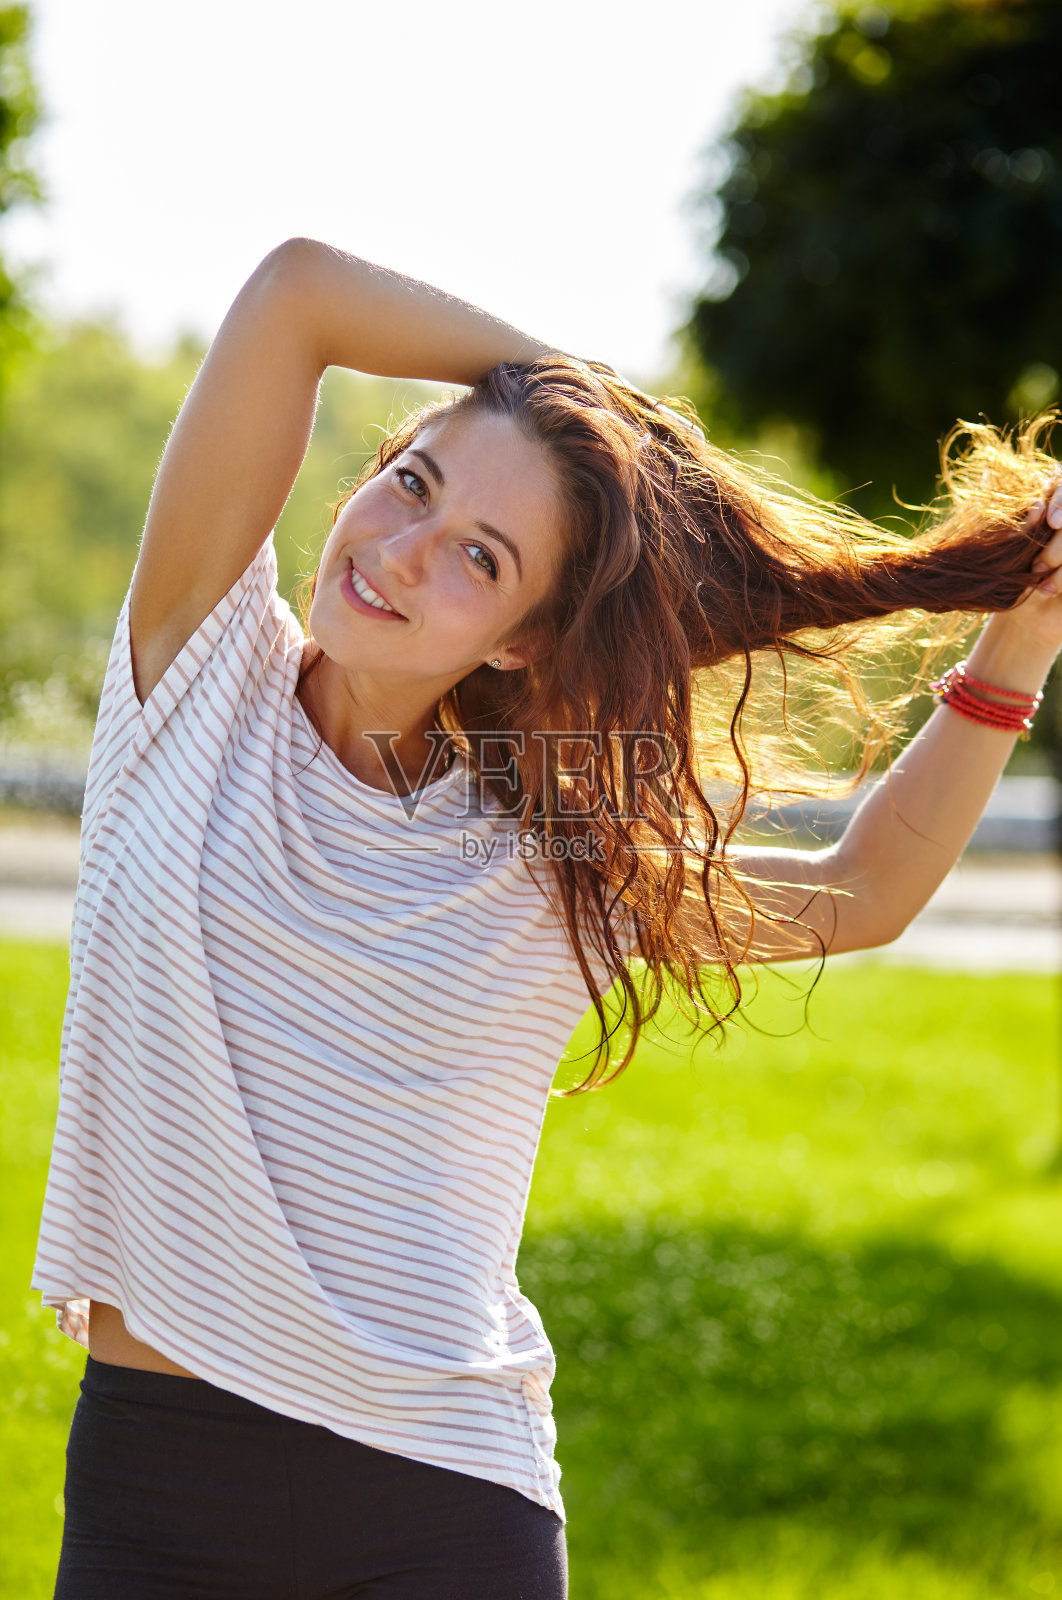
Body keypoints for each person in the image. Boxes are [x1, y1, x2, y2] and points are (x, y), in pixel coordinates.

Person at [34, 237, 1062, 1600]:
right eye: (412, 480)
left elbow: (863, 892)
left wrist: (1019, 644)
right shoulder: (194, 682)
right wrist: (565, 400)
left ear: (523, 636)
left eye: (478, 555)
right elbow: (294, 296)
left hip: (445, 1508)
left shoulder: (550, 848)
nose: (397, 552)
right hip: (153, 1492)